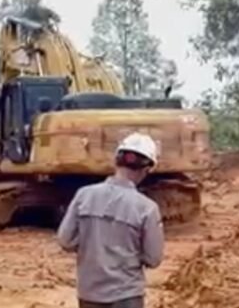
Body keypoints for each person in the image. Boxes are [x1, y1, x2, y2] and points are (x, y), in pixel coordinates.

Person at [56, 132, 165, 308]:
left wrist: (91, 246)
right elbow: (153, 258)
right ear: (146, 170)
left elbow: (65, 240)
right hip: (127, 296)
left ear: (116, 160)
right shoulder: (147, 208)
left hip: (89, 294)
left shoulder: (84, 195)